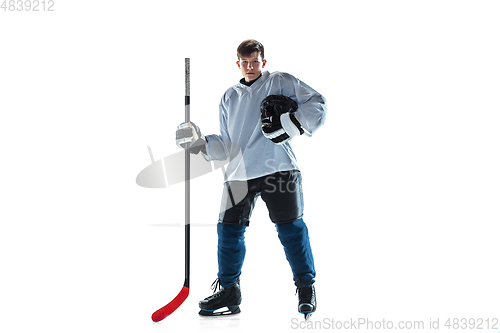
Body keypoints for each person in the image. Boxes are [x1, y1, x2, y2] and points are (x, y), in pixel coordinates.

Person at [176, 39, 327, 319]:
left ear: (263, 62)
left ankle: (306, 288)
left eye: (255, 61)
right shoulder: (228, 97)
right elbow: (225, 143)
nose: (250, 67)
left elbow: (317, 103)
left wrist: (290, 125)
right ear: (238, 64)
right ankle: (230, 290)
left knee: (291, 230)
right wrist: (196, 143)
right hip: (238, 173)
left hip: (278, 167)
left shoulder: (279, 81)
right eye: (245, 62)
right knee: (228, 232)